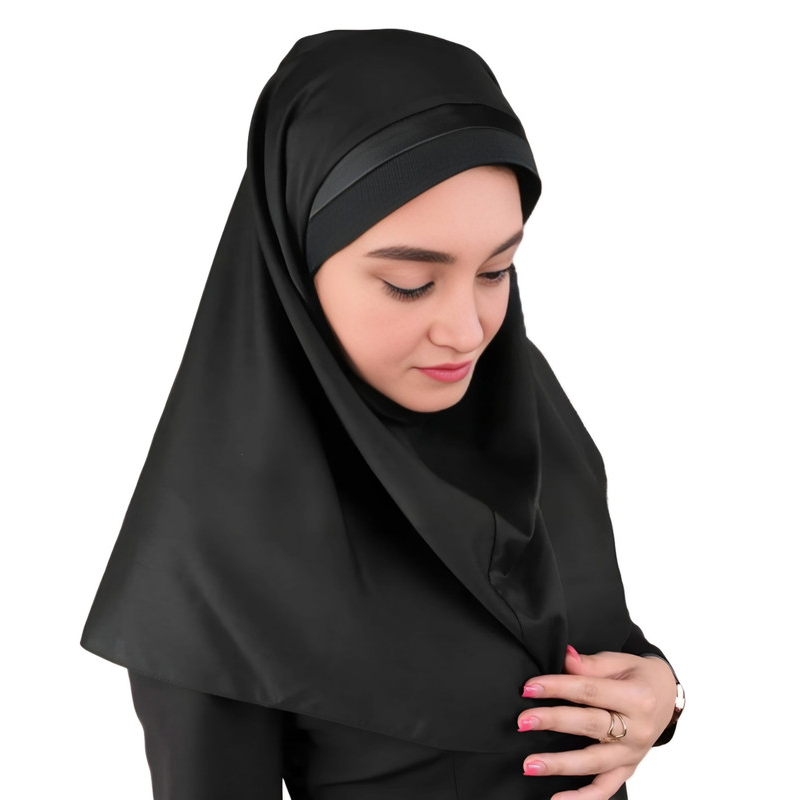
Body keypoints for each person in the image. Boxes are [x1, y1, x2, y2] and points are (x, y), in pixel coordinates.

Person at [80, 28, 684, 800]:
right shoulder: (212, 549)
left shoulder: (518, 401)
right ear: (296, 263)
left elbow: (591, 638)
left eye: (497, 270)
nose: (467, 332)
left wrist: (662, 694)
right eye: (410, 284)